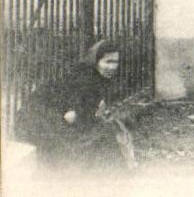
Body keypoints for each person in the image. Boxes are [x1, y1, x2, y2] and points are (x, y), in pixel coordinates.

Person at [18, 39, 136, 170]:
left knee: (104, 133)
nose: (113, 67)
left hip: (53, 115)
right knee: (95, 138)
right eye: (108, 61)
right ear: (96, 62)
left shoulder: (96, 78)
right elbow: (71, 116)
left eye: (116, 62)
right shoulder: (85, 79)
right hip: (38, 117)